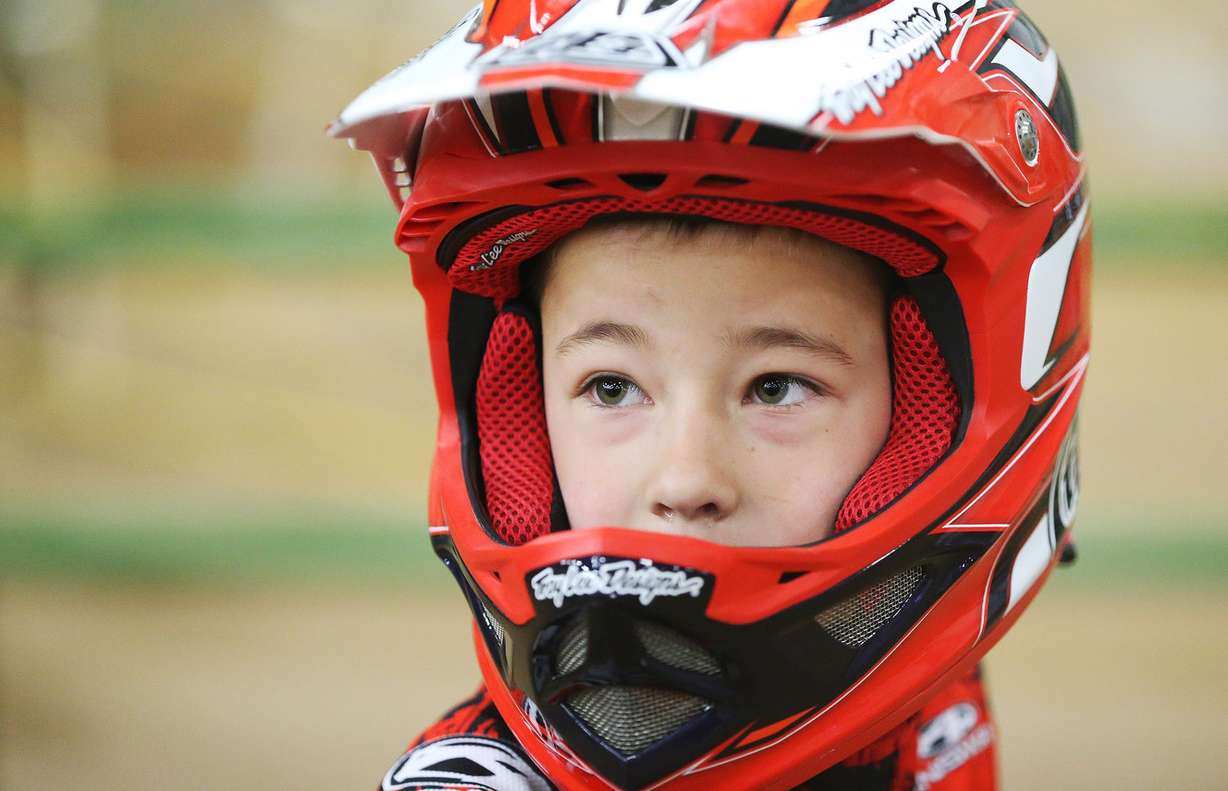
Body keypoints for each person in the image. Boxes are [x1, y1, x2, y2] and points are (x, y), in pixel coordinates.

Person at [331, 1, 1090, 789]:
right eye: (612, 387)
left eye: (776, 386)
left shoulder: (919, 705)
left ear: (935, 404)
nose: (686, 481)